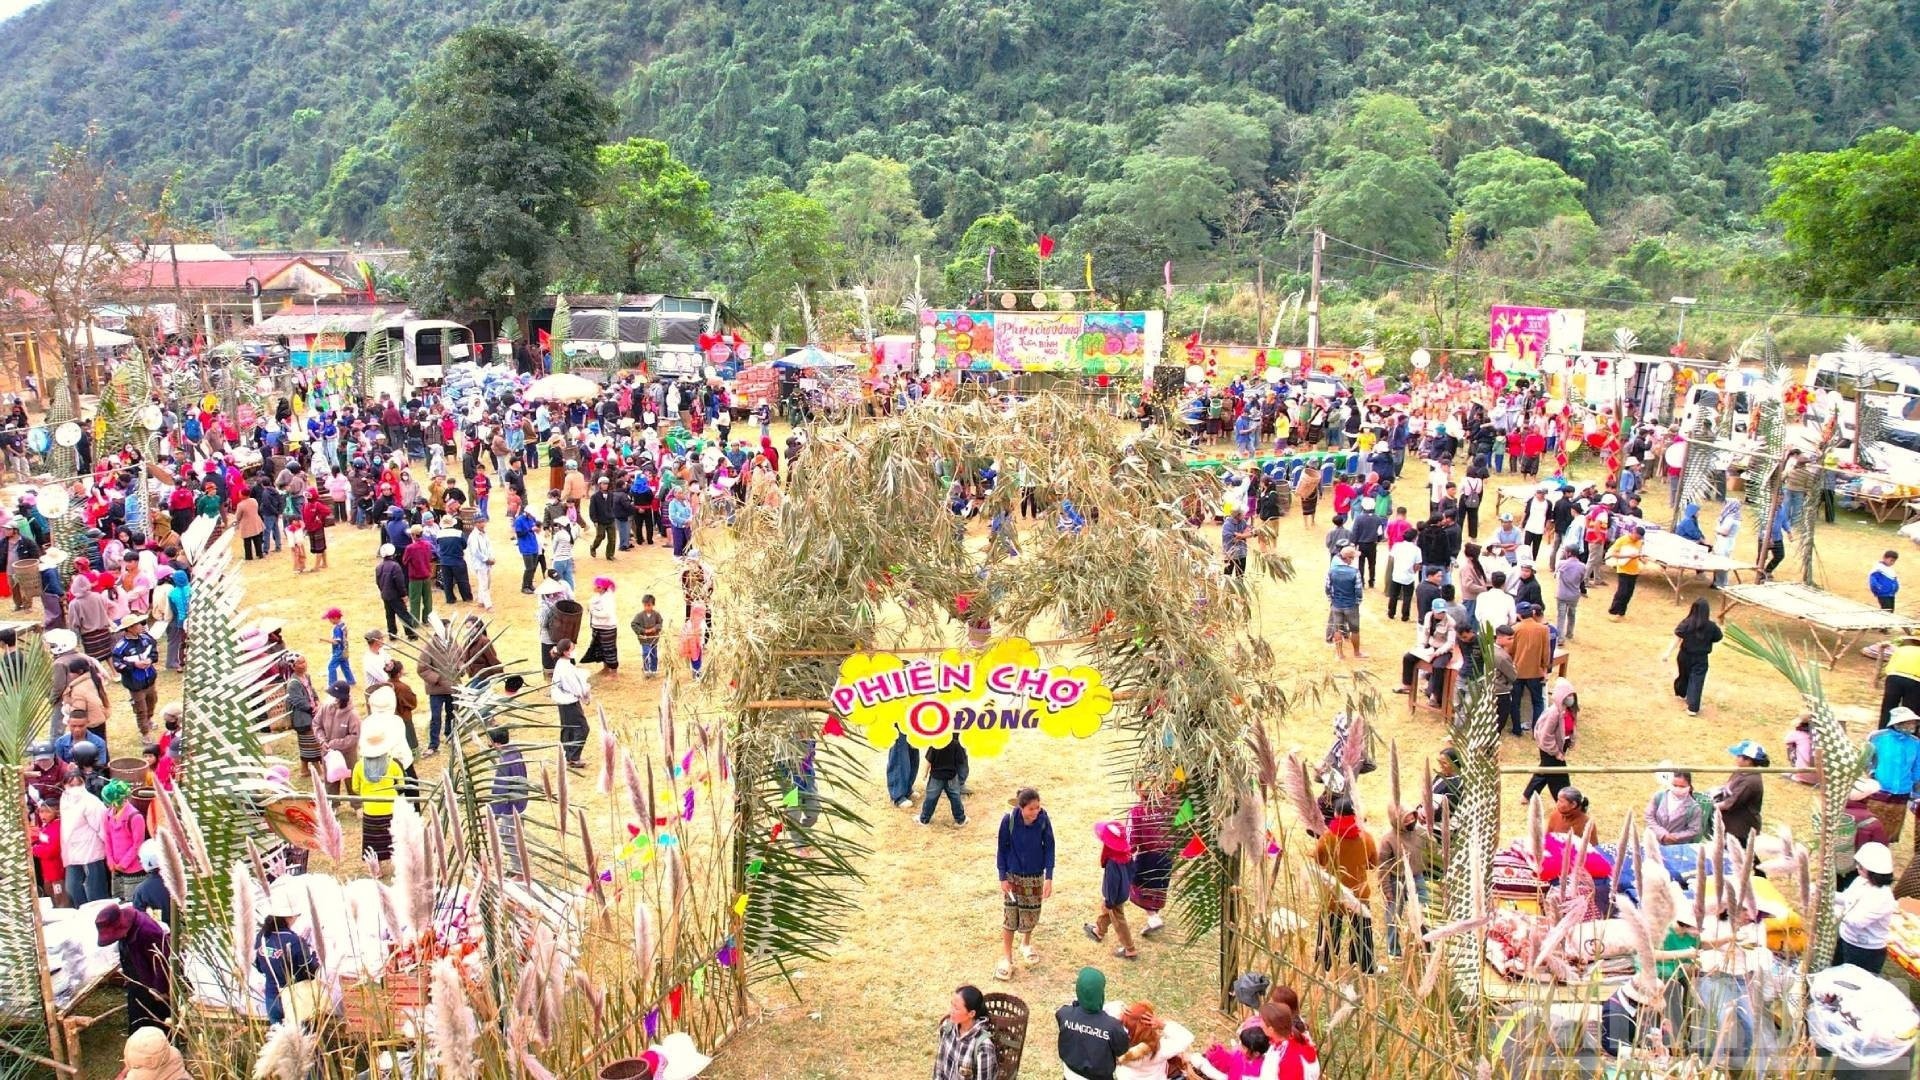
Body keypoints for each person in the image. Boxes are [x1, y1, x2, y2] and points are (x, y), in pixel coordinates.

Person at [995, 787, 1055, 981]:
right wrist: (1002, 877)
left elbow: (1050, 848)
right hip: (1013, 877)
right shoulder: (1009, 821)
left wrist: (1049, 877)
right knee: (1010, 916)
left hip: (1034, 876)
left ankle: (1026, 944)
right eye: (1031, 809)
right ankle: (1007, 958)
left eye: (1037, 807)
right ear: (1021, 808)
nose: (1035, 812)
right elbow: (1001, 850)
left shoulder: (1044, 821)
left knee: (1031, 914)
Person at [1313, 793, 1377, 971]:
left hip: (1334, 894)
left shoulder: (1328, 838)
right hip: (1359, 893)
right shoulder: (1367, 837)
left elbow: (1319, 860)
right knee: (1363, 933)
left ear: (1336, 814)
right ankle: (1364, 965)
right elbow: (1373, 864)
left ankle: (1325, 965)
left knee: (1329, 933)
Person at [96, 903, 171, 1032]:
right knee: (137, 1019)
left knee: (156, 1023)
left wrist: (161, 989)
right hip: (136, 980)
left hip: (151, 985)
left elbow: (162, 961)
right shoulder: (125, 926)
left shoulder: (147, 931)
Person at [253, 892, 319, 1023]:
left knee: (280, 1039)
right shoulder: (295, 941)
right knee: (299, 1039)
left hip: (272, 998)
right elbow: (310, 972)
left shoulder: (261, 936)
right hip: (293, 1000)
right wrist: (314, 956)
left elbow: (260, 967)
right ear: (289, 917)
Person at [1833, 842, 1898, 974]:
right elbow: (1847, 898)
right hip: (1846, 939)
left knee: (1855, 983)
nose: (1857, 868)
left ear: (1873, 872)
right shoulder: (1860, 881)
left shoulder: (1882, 897)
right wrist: (1826, 894)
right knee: (1836, 974)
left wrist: (1833, 911)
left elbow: (1857, 922)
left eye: (1861, 866)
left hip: (1865, 950)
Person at [1056, 967, 1129, 1080]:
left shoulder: (1064, 1013)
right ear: (1100, 993)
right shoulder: (1112, 1026)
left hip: (1069, 1074)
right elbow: (1122, 1049)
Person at [1083, 820, 1139, 960]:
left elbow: (1112, 884)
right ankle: (1099, 931)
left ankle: (1130, 949)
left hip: (1115, 896)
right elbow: (1132, 871)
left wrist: (1110, 900)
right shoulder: (1126, 854)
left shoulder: (1113, 862)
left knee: (1118, 919)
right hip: (1122, 891)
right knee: (1107, 910)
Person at [351, 724, 405, 868]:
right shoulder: (392, 764)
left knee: (373, 842)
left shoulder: (358, 766)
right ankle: (397, 865)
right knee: (394, 839)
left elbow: (355, 788)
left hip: (370, 811)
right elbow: (401, 785)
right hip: (391, 809)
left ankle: (377, 868)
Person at [1126, 783, 1176, 937]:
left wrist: (1127, 854)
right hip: (1168, 856)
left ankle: (1153, 918)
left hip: (1147, 857)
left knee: (1138, 889)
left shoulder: (1137, 811)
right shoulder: (1172, 807)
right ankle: (1153, 917)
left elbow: (1131, 838)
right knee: (1159, 887)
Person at [1521, 678, 1578, 803]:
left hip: (1560, 747)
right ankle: (1564, 801)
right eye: (1568, 695)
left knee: (1544, 771)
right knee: (1558, 776)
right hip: (1549, 748)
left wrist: (1571, 742)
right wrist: (1556, 752)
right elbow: (1546, 735)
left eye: (1571, 695)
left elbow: (1571, 728)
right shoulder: (1554, 713)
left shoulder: (1569, 711)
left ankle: (1527, 795)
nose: (1570, 698)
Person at [1664, 597, 1723, 716]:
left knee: (1684, 675)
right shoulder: (1711, 626)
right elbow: (1718, 637)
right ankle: (1693, 707)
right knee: (1697, 681)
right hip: (1701, 658)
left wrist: (1668, 653)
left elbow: (1677, 638)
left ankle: (1682, 692)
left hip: (1684, 656)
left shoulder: (1686, 623)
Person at [60, 769, 110, 904]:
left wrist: (110, 852)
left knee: (94, 892)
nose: (75, 788)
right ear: (64, 785)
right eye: (71, 785)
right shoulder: (64, 800)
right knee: (72, 889)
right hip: (72, 853)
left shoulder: (92, 803)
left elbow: (102, 828)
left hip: (90, 852)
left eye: (78, 784)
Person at [933, 984, 999, 1080]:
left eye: (956, 1008)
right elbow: (939, 1066)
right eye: (952, 1004)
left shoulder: (983, 1046)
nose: (951, 1010)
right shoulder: (947, 1027)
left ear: (971, 1013)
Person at [550, 638, 591, 771]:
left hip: (563, 700)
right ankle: (573, 757)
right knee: (582, 728)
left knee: (568, 728)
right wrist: (585, 693)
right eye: (572, 648)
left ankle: (567, 755)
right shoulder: (565, 667)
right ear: (567, 652)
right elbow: (575, 686)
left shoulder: (562, 664)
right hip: (569, 701)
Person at [1715, 740, 1768, 844]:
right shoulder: (1741, 771)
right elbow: (1729, 787)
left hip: (1740, 830)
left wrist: (1711, 806)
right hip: (1728, 824)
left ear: (1748, 760)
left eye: (1739, 756)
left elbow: (1730, 804)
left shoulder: (1750, 781)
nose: (1736, 758)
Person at [1645, 768, 1705, 844]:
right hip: (1654, 841)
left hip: (1677, 846)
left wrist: (1674, 837)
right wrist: (1662, 834)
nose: (1678, 789)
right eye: (1675, 785)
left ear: (1689, 787)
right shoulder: (1659, 796)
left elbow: (1694, 830)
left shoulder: (1693, 808)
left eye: (1682, 786)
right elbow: (1649, 816)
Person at [1324, 546, 1364, 659]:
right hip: (1351, 605)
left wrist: (1332, 600)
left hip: (1337, 604)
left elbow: (1327, 588)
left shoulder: (1332, 571)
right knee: (1355, 630)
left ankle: (1339, 654)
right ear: (1349, 558)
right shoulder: (1354, 572)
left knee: (1338, 629)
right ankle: (1356, 652)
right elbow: (1358, 590)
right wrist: (1357, 602)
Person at [919, 736, 967, 825]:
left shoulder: (935, 744)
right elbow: (961, 761)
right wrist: (960, 776)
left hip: (936, 778)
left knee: (931, 798)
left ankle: (924, 819)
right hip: (951, 777)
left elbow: (928, 760)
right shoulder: (956, 744)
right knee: (955, 797)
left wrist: (924, 774)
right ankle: (960, 819)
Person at [580, 577, 620, 674]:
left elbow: (606, 614)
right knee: (601, 649)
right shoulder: (598, 596)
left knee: (609, 649)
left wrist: (593, 611)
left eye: (596, 586)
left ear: (601, 588)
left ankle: (613, 671)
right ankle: (605, 667)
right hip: (598, 627)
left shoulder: (608, 599)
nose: (594, 587)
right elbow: (591, 603)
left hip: (607, 628)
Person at [1604, 526, 1646, 618]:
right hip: (1623, 568)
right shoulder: (1622, 540)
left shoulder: (1639, 542)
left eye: (1639, 538)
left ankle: (1621, 613)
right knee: (1622, 592)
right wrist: (1627, 556)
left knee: (1629, 593)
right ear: (1633, 533)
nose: (1637, 539)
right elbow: (1614, 553)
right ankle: (1613, 611)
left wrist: (1642, 559)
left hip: (1634, 570)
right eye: (1637, 537)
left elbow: (1638, 554)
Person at [1882, 633, 1920, 728]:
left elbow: (1889, 666)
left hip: (1893, 677)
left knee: (1888, 707)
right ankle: (1909, 733)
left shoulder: (1901, 649)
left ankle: (1883, 730)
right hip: (1914, 680)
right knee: (1911, 710)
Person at [1385, 526, 1422, 622]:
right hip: (1408, 576)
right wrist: (1414, 571)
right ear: (1414, 538)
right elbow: (1417, 564)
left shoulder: (1397, 546)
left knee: (1393, 595)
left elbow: (1392, 558)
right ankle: (1405, 616)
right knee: (1407, 597)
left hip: (1397, 574)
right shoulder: (1416, 549)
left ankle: (1391, 613)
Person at [630, 593, 664, 677]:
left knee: (654, 654)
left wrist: (654, 629)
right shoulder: (639, 616)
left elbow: (660, 623)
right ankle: (646, 670)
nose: (647, 607)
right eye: (645, 605)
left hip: (654, 639)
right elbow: (633, 624)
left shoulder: (656, 615)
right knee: (646, 653)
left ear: (653, 605)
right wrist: (643, 631)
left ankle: (653, 671)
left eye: (649, 605)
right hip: (644, 639)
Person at [1221, 510, 1251, 577]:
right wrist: (1244, 535)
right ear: (1238, 515)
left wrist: (1241, 535)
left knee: (1240, 576)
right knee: (1227, 576)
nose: (1245, 515)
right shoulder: (1227, 525)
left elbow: (1251, 531)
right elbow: (1232, 539)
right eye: (1243, 514)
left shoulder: (1243, 522)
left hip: (1242, 553)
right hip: (1230, 554)